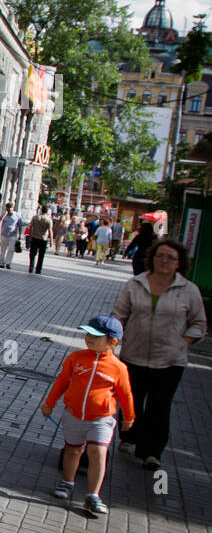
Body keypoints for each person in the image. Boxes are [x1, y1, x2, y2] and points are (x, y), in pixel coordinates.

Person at [111, 238, 207, 469]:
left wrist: (182, 342)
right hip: (133, 354)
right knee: (131, 400)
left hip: (170, 360)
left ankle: (152, 452)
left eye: (170, 258)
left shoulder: (188, 290)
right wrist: (111, 339)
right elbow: (119, 315)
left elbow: (199, 323)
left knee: (160, 406)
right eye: (160, 256)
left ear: (179, 263)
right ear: (152, 259)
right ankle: (129, 436)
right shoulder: (135, 284)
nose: (164, 261)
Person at [41, 314, 135, 515]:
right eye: (87, 334)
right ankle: (67, 482)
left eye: (96, 336)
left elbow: (125, 394)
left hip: (102, 419)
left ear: (113, 342)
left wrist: (129, 416)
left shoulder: (119, 368)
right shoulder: (75, 358)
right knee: (73, 451)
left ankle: (93, 495)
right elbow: (61, 382)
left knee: (97, 453)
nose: (89, 338)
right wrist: (49, 403)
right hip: (74, 415)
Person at [26, 205, 52, 274]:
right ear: (47, 212)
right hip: (43, 239)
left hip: (35, 237)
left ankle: (31, 265)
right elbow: (50, 231)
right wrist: (51, 241)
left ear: (41, 210)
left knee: (32, 253)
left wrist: (30, 235)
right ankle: (38, 269)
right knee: (41, 255)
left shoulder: (35, 217)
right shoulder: (48, 220)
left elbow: (30, 227)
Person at [0, 203, 21, 268]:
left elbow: (20, 225)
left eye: (10, 209)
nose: (9, 211)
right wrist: (4, 215)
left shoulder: (17, 215)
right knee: (3, 249)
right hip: (4, 234)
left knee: (11, 249)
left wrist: (19, 235)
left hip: (13, 235)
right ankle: (1, 263)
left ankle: (8, 263)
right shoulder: (4, 214)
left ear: (13, 208)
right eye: (8, 209)